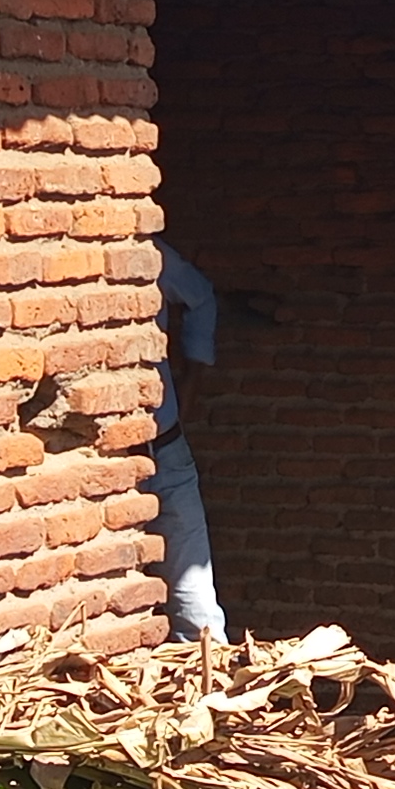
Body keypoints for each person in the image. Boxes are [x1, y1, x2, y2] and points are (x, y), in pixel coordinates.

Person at [149, 236, 227, 642]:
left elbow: (200, 297)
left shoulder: (147, 253)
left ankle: (212, 699)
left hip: (165, 449)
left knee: (197, 616)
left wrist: (191, 380)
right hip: (105, 471)